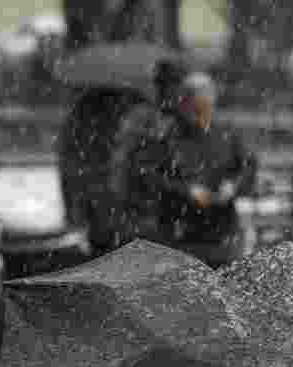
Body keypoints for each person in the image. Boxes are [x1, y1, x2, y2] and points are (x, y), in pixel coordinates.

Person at [141, 72, 257, 269]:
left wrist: (232, 186)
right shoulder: (167, 137)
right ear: (184, 104)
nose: (202, 116)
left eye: (206, 108)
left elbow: (247, 166)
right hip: (180, 233)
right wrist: (187, 191)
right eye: (196, 109)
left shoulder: (226, 134)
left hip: (222, 231)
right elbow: (151, 177)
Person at [108, 59, 189, 252]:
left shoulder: (184, 119)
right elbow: (123, 157)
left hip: (169, 201)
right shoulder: (141, 117)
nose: (170, 91)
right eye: (164, 85)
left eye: (174, 84)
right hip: (142, 201)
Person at [57, 86, 144, 251]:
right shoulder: (91, 132)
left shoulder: (80, 126)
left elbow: (69, 172)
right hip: (106, 204)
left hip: (104, 205)